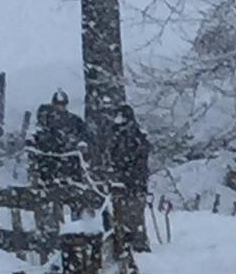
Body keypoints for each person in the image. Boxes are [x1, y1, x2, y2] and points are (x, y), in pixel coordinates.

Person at [26, 89, 99, 218]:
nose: (60, 107)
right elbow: (35, 139)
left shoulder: (74, 121)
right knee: (48, 197)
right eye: (58, 104)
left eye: (62, 104)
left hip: (70, 165)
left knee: (75, 195)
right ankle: (49, 220)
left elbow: (86, 137)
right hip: (48, 165)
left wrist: (81, 145)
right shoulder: (44, 121)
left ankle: (78, 221)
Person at [97, 99, 151, 254]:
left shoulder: (134, 137)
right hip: (123, 183)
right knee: (122, 215)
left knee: (132, 216)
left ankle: (137, 245)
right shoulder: (117, 135)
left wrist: (124, 176)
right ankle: (126, 243)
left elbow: (137, 161)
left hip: (132, 184)